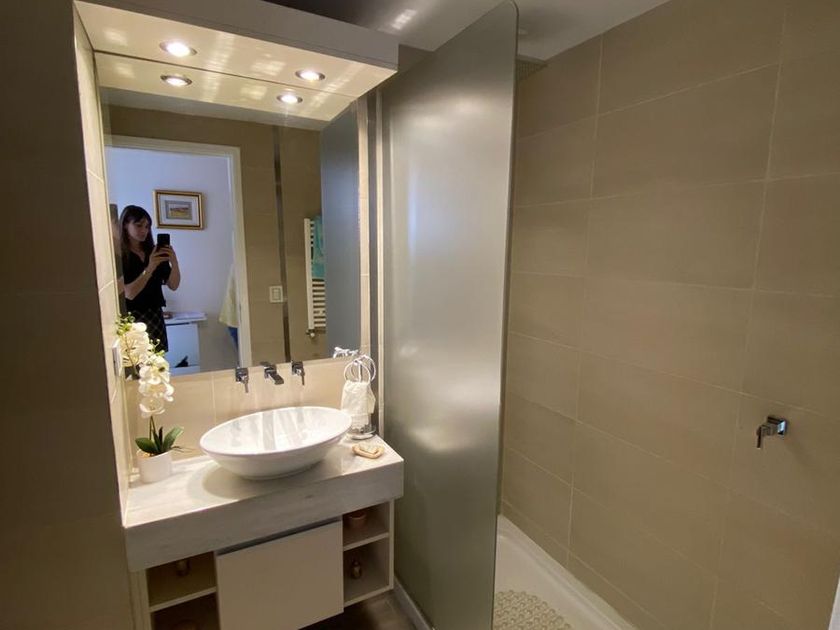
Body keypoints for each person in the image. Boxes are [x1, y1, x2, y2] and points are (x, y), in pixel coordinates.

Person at [119, 205, 181, 351]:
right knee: (136, 360)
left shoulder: (153, 252)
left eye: (147, 226)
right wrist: (150, 267)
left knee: (158, 359)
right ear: (125, 225)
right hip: (132, 317)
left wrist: (174, 261)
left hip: (155, 314)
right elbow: (130, 293)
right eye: (139, 225)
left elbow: (173, 285)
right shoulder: (120, 256)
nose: (144, 230)